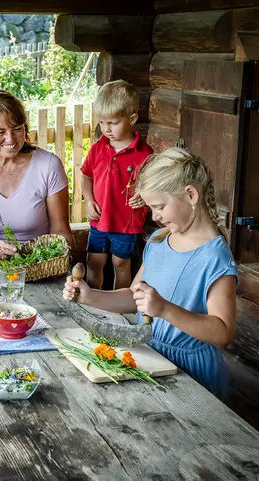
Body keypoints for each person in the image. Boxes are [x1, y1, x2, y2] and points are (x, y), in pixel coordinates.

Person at [64, 148, 237, 401]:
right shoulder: (158, 240)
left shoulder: (214, 257)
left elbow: (222, 332)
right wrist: (90, 296)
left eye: (159, 207)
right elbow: (134, 297)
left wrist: (165, 310)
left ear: (190, 194)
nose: (154, 216)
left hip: (193, 374)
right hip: (151, 357)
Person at [0, 90, 73, 263]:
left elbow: (62, 233)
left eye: (17, 129)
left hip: (43, 264)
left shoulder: (48, 165)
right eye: (0, 131)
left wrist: (46, 258)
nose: (10, 139)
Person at [82, 80, 153, 289]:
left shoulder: (144, 154)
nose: (106, 129)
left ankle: (119, 304)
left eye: (113, 123)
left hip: (127, 222)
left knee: (120, 263)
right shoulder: (98, 149)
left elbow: (151, 184)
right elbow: (86, 175)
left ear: (131, 119)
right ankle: (92, 301)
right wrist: (88, 200)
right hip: (99, 219)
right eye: (102, 122)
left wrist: (144, 195)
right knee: (94, 261)